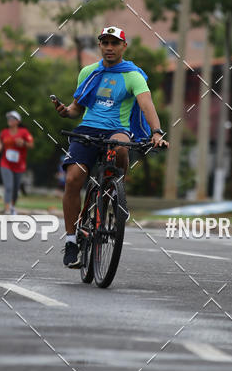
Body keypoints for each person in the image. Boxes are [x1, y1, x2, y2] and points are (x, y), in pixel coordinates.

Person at [52, 26, 168, 268]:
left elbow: (147, 105)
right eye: (105, 43)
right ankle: (71, 241)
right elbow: (77, 108)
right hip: (88, 128)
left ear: (124, 46)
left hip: (117, 129)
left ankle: (117, 192)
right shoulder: (88, 72)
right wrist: (66, 112)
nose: (109, 47)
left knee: (122, 147)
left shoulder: (133, 75)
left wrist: (156, 132)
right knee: (73, 179)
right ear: (99, 46)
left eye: (114, 43)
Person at [0, 111, 34, 214]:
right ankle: (7, 209)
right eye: (9, 118)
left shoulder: (24, 132)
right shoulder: (4, 132)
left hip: (19, 165)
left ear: (18, 121)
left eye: (12, 119)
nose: (10, 120)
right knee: (8, 186)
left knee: (15, 188)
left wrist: (24, 143)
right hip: (5, 163)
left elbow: (31, 145)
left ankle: (12, 206)